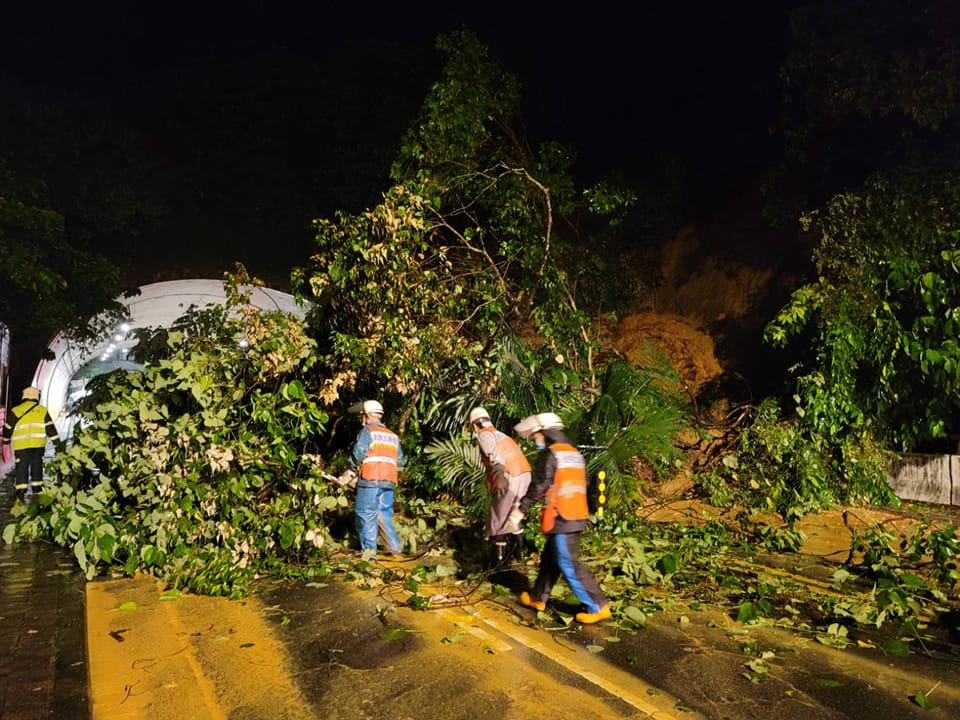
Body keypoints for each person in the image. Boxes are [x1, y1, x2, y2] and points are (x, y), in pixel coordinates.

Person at [510, 412, 611, 624]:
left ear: (544, 433)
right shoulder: (573, 453)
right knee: (550, 557)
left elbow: (540, 485)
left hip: (563, 516)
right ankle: (538, 597)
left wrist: (521, 509)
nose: (535, 441)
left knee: (567, 561)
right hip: (574, 514)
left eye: (535, 436)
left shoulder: (551, 454)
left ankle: (597, 606)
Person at [469, 406, 532, 566]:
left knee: (498, 522)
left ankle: (498, 565)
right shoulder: (501, 435)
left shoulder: (484, 435)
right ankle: (520, 556)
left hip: (509, 476)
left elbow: (496, 458)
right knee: (512, 516)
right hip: (524, 474)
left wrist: (499, 476)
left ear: (475, 425)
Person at [349, 400, 403, 557]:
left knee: (365, 513)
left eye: (362, 416)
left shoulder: (368, 431)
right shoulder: (392, 435)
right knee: (384, 513)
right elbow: (400, 460)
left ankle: (369, 554)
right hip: (389, 480)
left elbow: (358, 453)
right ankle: (395, 549)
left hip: (371, 478)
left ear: (366, 416)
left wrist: (351, 468)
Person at [2, 386, 60, 500]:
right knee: (37, 465)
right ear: (36, 396)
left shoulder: (16, 410)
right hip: (38, 445)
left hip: (21, 446)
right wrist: (57, 442)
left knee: (21, 467)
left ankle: (21, 490)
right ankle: (37, 489)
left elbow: (8, 427)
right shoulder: (42, 410)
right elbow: (50, 428)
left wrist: (6, 440)